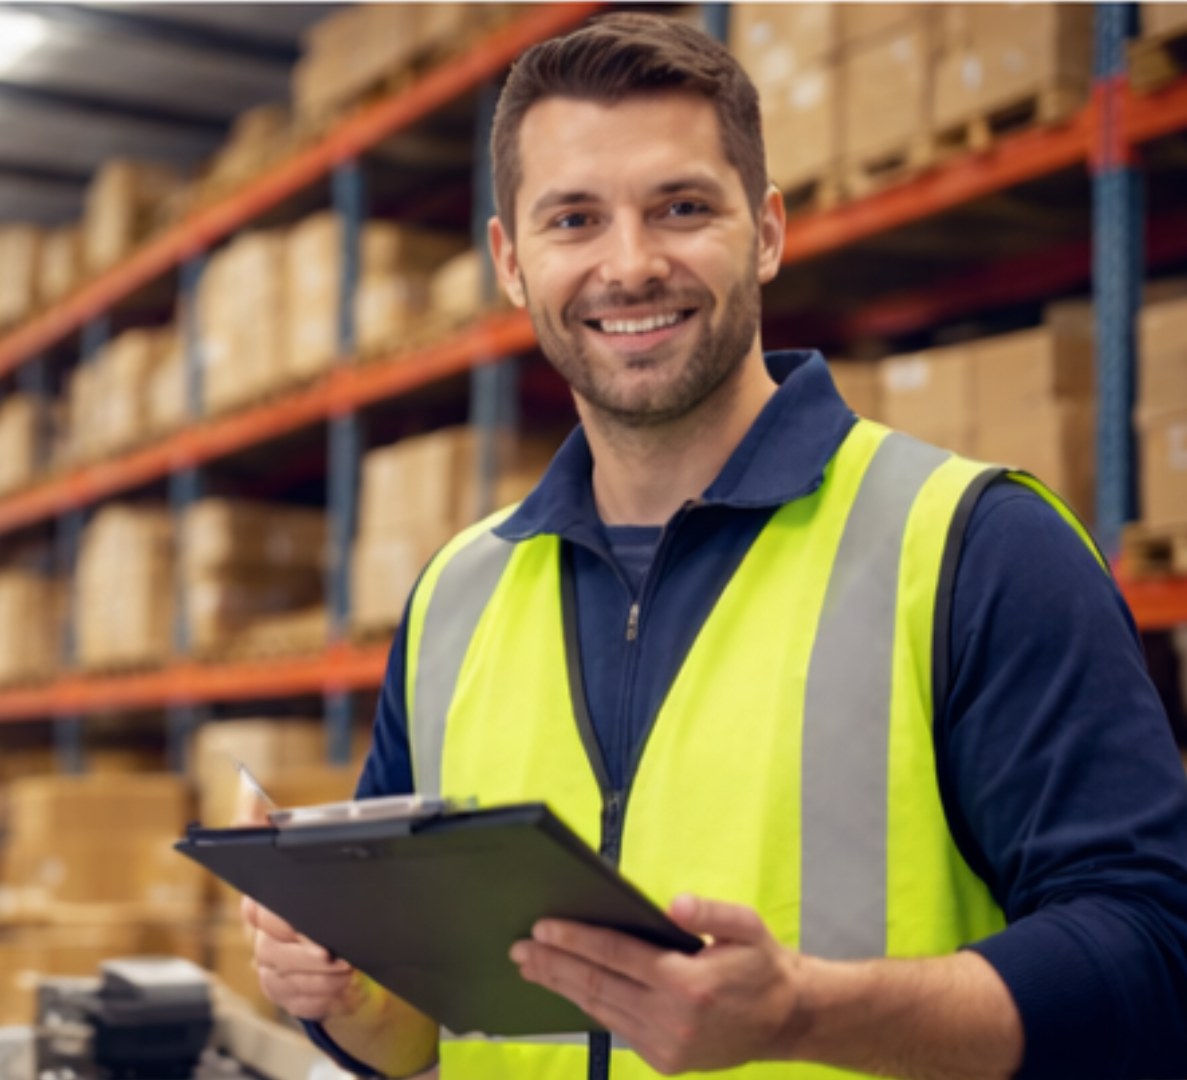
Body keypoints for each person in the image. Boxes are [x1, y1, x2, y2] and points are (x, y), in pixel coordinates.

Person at [239, 13, 1187, 1080]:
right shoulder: (456, 599)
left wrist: (805, 1016)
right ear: (511, 261)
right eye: (575, 220)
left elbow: (1153, 960)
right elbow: (422, 1035)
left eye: (681, 208)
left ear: (769, 230)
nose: (630, 265)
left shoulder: (977, 546)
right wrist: (348, 993)